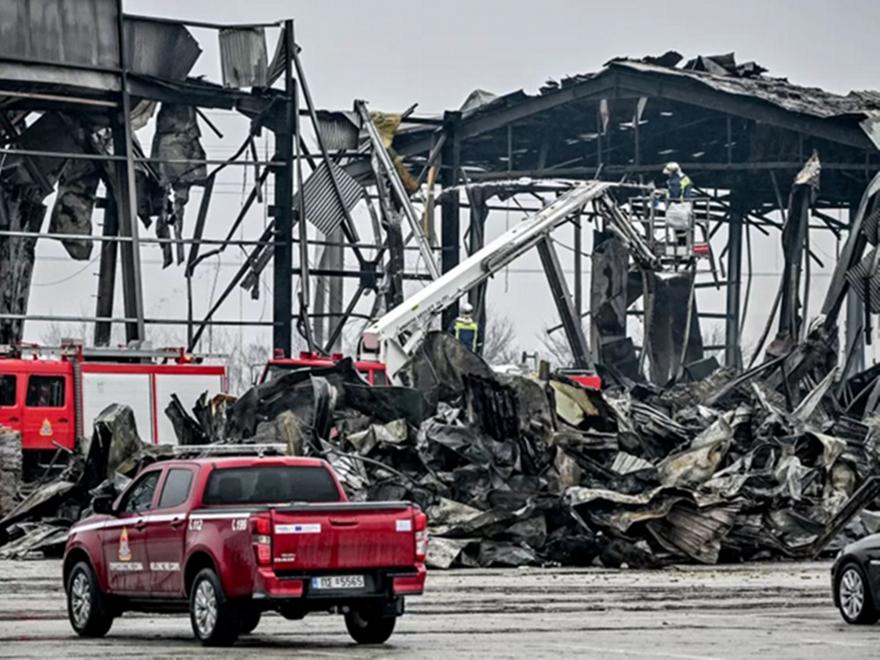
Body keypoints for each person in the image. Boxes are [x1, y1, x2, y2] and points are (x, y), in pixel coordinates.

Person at [662, 162, 695, 258]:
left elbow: (674, 194)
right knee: (682, 230)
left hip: (678, 207)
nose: (668, 175)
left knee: (678, 229)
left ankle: (681, 251)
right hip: (685, 207)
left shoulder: (675, 182)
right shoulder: (685, 178)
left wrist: (661, 196)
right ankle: (683, 250)